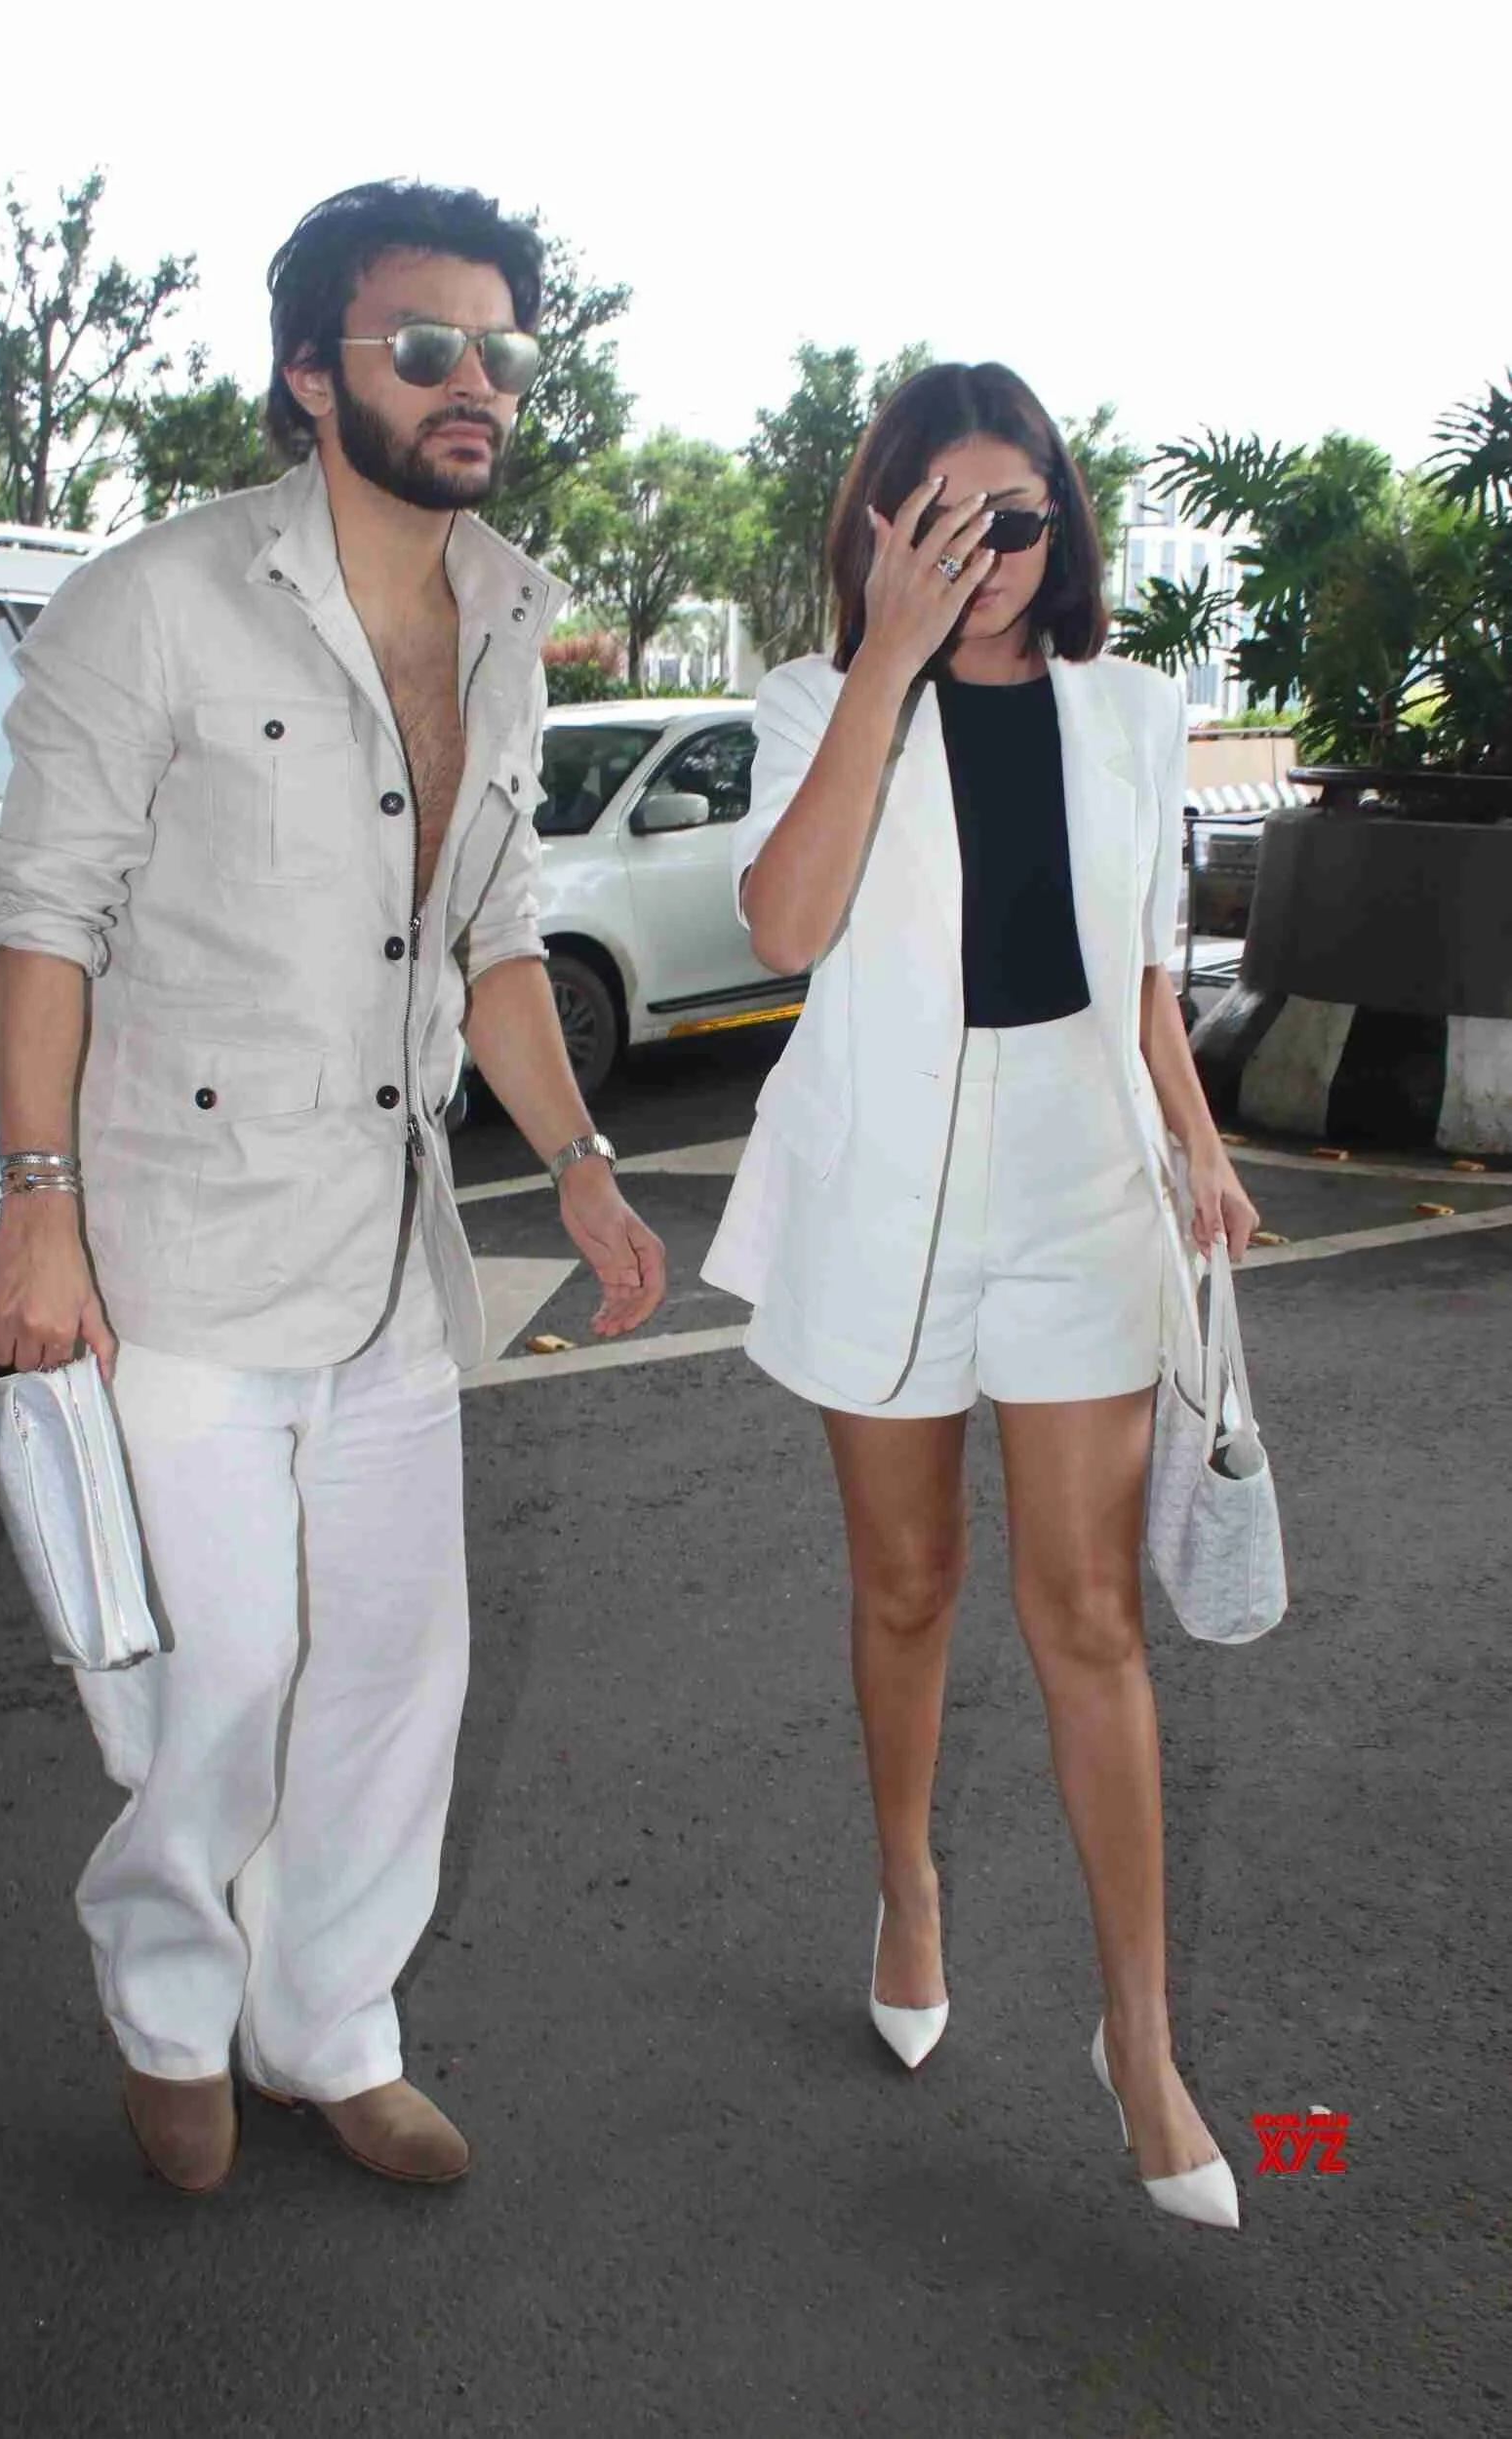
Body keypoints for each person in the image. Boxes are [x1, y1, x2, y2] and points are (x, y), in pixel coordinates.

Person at [0, 180, 666, 2195]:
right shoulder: (155, 599)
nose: (472, 380)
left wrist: (584, 1170)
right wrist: (35, 1199)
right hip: (177, 1231)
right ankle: (172, 2003)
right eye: (423, 344)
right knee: (225, 1667)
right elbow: (45, 913)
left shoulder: (505, 616)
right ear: (310, 375)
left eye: (500, 348)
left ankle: (329, 2023)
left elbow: (496, 937)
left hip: (394, 1247)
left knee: (393, 1672)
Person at [701, 363, 1258, 2229]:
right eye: (946, 517)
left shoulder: (1136, 713)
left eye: (1018, 515)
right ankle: (910, 1884)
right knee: (909, 1584)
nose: (990, 550)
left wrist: (1198, 1149)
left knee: (1089, 1614)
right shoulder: (813, 703)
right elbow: (786, 926)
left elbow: (1146, 978)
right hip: (886, 1190)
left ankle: (1140, 2041)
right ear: (882, 524)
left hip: (1079, 1187)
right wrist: (890, 655)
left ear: (1062, 525)